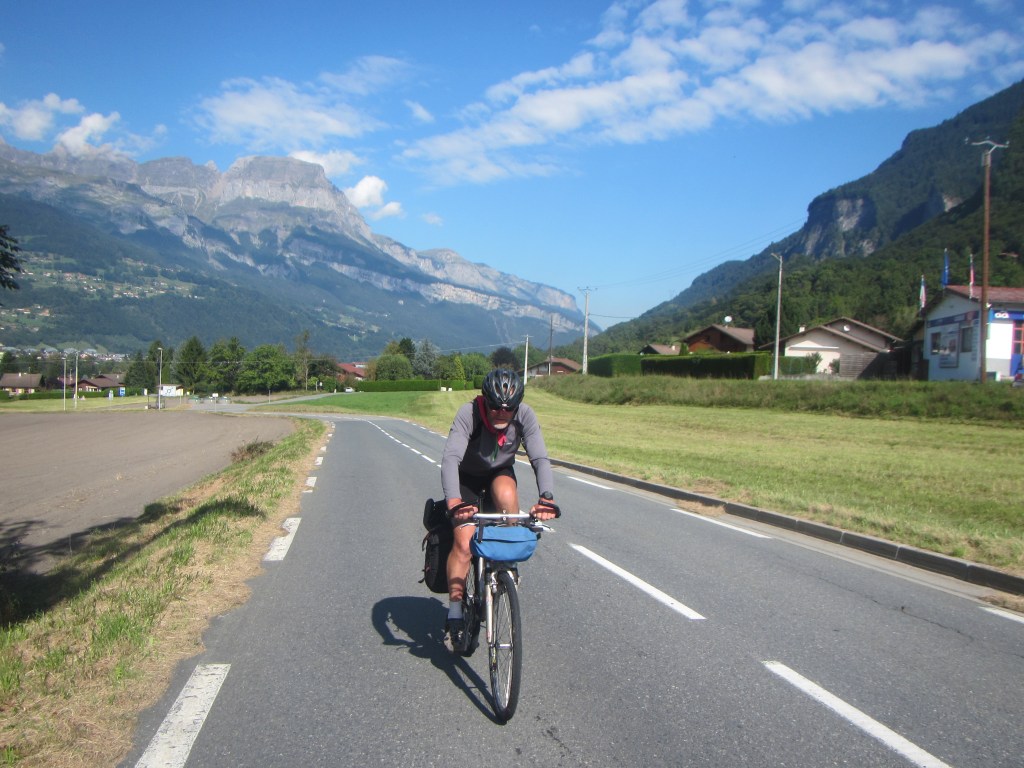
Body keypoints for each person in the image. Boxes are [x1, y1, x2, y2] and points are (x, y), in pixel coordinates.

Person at [440, 368, 557, 650]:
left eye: (509, 408)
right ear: (485, 400)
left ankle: (504, 568)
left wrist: (546, 498)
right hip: (467, 478)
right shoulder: (469, 413)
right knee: (465, 544)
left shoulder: (525, 416)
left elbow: (539, 457)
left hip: (499, 473)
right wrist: (455, 502)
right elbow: (451, 458)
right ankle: (455, 612)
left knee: (506, 495)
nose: (502, 413)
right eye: (495, 406)